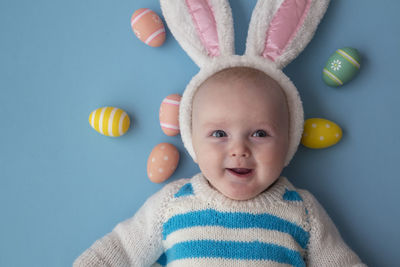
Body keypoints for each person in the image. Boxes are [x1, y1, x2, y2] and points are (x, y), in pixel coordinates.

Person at [75, 0, 368, 265]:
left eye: (260, 134)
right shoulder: (173, 203)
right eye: (218, 134)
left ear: (288, 139)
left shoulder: (302, 213)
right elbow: (121, 251)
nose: (239, 150)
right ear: (192, 139)